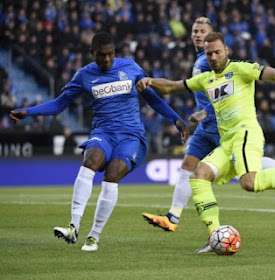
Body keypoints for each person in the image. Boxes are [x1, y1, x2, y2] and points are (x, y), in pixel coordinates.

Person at [136, 32, 275, 252]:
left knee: (249, 182)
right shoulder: (205, 79)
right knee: (198, 176)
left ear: (226, 50)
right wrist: (150, 81)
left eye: (218, 52)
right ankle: (215, 236)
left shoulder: (240, 69)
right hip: (227, 141)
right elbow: (172, 86)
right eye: (209, 54)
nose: (213, 57)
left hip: (246, 133)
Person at [9, 32, 189, 251]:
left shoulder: (131, 68)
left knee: (112, 174)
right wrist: (28, 111)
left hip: (131, 137)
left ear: (115, 52)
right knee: (90, 160)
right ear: (92, 53)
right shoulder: (84, 75)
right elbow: (59, 104)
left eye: (110, 54)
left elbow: (153, 99)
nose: (106, 60)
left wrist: (176, 119)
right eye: (101, 55)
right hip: (103, 133)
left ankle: (93, 236)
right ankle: (73, 227)